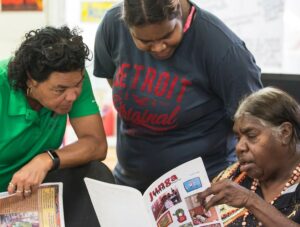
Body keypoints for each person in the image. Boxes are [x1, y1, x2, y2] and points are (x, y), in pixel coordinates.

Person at [93, 0, 262, 192]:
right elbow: (114, 81)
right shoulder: (112, 25)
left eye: (167, 35)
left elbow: (256, 126)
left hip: (204, 186)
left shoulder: (224, 49)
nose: (158, 48)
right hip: (131, 184)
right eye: (145, 42)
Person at [0, 26, 114, 227]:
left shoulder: (71, 78)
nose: (72, 96)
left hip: (37, 186)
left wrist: (47, 159)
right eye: (59, 90)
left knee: (95, 173)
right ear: (31, 80)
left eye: (77, 85)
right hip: (5, 196)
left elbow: (96, 144)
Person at [198, 87, 300, 226]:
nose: (239, 147)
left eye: (251, 136)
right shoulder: (234, 178)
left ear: (284, 133)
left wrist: (251, 201)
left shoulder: (242, 193)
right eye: (238, 137)